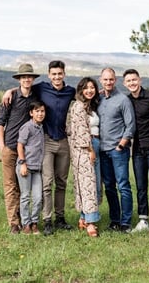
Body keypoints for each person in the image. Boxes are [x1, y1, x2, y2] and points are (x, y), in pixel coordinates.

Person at [3, 60, 76, 235]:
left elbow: (87, 94)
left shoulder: (70, 91)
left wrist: (102, 92)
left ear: (64, 74)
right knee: (47, 182)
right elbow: (24, 87)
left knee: (62, 182)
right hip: (47, 141)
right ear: (49, 75)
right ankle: (47, 219)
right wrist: (10, 90)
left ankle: (60, 218)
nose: (57, 77)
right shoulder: (42, 88)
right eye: (54, 74)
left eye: (60, 74)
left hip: (63, 140)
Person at [0, 63, 39, 234]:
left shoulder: (36, 96)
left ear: (33, 79)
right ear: (19, 79)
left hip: (28, 151)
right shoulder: (11, 97)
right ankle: (14, 223)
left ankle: (25, 218)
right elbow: (0, 122)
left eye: (29, 76)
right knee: (10, 186)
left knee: (24, 187)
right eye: (23, 77)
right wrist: (2, 146)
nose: (27, 79)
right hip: (10, 147)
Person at [123, 68, 149, 235]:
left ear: (139, 80)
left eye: (134, 80)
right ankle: (143, 220)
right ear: (125, 83)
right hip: (137, 149)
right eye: (129, 81)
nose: (132, 83)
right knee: (141, 186)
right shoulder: (126, 101)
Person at [97, 67, 136, 232]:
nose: (108, 82)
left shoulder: (123, 100)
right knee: (109, 186)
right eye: (105, 79)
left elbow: (130, 125)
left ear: (116, 80)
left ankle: (126, 222)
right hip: (103, 150)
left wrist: (121, 144)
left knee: (123, 185)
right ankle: (114, 219)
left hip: (118, 150)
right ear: (101, 80)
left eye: (111, 79)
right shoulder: (98, 99)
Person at [66, 77, 102, 237]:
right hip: (85, 148)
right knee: (88, 185)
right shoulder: (79, 106)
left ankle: (83, 217)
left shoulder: (89, 105)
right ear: (80, 90)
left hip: (95, 143)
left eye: (92, 87)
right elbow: (81, 131)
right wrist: (90, 149)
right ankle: (91, 222)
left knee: (90, 183)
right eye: (86, 88)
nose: (89, 90)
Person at [17, 101, 47, 235]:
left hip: (37, 168)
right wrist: (23, 163)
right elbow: (20, 145)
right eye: (37, 111)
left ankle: (35, 222)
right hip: (26, 166)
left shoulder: (41, 128)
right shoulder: (27, 127)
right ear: (31, 113)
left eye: (42, 111)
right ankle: (26, 224)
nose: (40, 114)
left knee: (38, 197)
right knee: (25, 196)